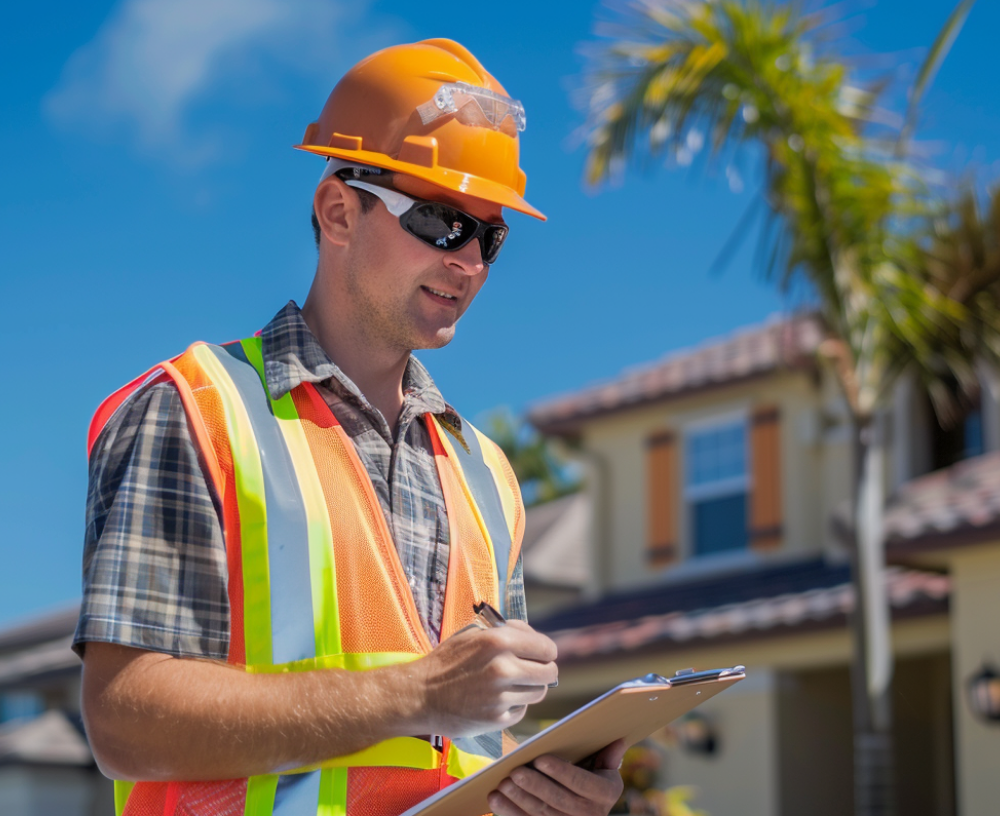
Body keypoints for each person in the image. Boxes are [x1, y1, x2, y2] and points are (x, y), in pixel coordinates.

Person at [73, 39, 627, 816]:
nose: (469, 260)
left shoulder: (486, 474)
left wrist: (549, 789)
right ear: (338, 210)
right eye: (439, 221)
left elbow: (467, 737)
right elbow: (126, 720)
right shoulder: (193, 410)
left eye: (490, 236)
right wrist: (421, 694)